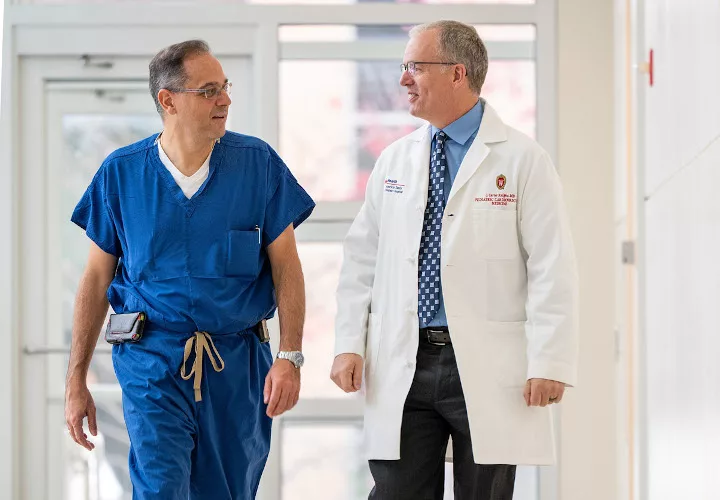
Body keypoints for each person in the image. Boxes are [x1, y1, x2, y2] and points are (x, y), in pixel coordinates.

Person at [331, 21, 579, 499]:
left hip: (484, 364)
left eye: (415, 66)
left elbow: (553, 263)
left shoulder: (523, 160)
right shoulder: (395, 160)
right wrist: (348, 343)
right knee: (396, 491)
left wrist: (550, 359)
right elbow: (362, 259)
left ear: (457, 74)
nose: (403, 78)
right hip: (405, 356)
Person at [64, 40, 314, 499]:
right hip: (151, 358)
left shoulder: (256, 164)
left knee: (226, 491)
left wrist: (290, 355)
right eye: (209, 90)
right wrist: (76, 379)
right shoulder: (121, 174)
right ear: (168, 101)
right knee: (160, 487)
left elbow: (287, 267)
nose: (225, 100)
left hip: (237, 363)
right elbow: (95, 280)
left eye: (225, 88)